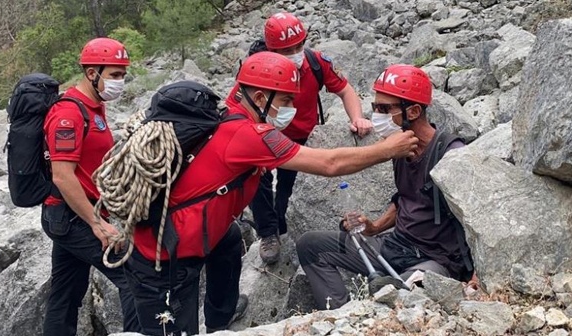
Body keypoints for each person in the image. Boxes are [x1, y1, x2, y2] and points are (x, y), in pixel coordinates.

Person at [125, 52, 419, 336]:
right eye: (286, 100)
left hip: (194, 236)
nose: (291, 106)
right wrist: (386, 150)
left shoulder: (231, 111)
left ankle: (219, 320)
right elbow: (329, 164)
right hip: (163, 259)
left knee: (228, 240)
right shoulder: (249, 135)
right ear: (261, 98)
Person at [296, 64, 476, 310]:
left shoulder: (451, 154)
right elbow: (405, 198)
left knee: (396, 297)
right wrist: (374, 227)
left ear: (412, 111)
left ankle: (365, 315)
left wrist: (477, 275)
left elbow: (478, 218)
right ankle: (341, 317)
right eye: (374, 107)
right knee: (311, 245)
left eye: (384, 109)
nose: (376, 116)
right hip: (395, 246)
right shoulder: (399, 147)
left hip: (436, 260)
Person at [225, 12, 374, 264]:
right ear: (271, 50)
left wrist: (357, 117)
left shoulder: (315, 63)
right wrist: (250, 147)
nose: (295, 53)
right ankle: (268, 233)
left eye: (299, 46)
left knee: (287, 192)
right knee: (257, 183)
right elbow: (234, 110)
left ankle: (283, 224)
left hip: (300, 139)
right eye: (287, 50)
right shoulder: (259, 70)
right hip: (264, 137)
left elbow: (345, 90)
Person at [41, 37, 140, 335]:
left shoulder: (94, 107)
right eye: (114, 75)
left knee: (66, 292)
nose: (120, 82)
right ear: (91, 73)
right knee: (135, 279)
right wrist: (97, 223)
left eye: (123, 75)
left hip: (72, 214)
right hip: (73, 217)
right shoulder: (69, 115)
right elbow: (62, 175)